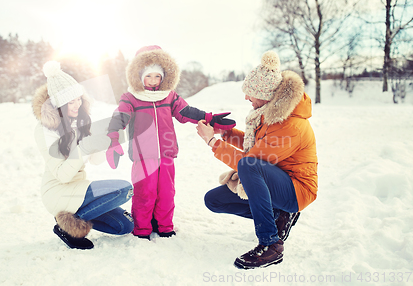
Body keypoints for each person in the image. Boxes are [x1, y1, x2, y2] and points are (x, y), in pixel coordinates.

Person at [196, 51, 317, 269]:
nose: (246, 98)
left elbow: (250, 163)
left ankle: (270, 244)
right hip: (277, 181)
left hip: (296, 190)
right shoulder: (272, 113)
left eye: (250, 93)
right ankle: (278, 214)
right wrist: (225, 133)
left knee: (247, 166)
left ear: (265, 94)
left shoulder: (290, 125)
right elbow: (257, 147)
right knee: (214, 200)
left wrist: (212, 142)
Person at [106, 45, 236, 240]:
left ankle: (164, 225)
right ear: (139, 75)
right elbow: (119, 118)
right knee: (145, 192)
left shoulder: (169, 96)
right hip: (143, 156)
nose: (152, 81)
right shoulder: (131, 98)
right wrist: (113, 140)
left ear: (164, 76)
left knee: (166, 192)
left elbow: (186, 112)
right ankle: (142, 228)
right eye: (148, 76)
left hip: (166, 154)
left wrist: (210, 118)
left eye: (157, 76)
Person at [32, 61, 134, 250]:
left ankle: (79, 216)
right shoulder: (45, 130)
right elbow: (62, 175)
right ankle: (66, 226)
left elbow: (95, 160)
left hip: (80, 188)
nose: (77, 105)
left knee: (125, 226)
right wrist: (83, 148)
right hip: (58, 191)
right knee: (124, 189)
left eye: (79, 99)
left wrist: (108, 141)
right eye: (71, 102)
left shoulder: (79, 122)